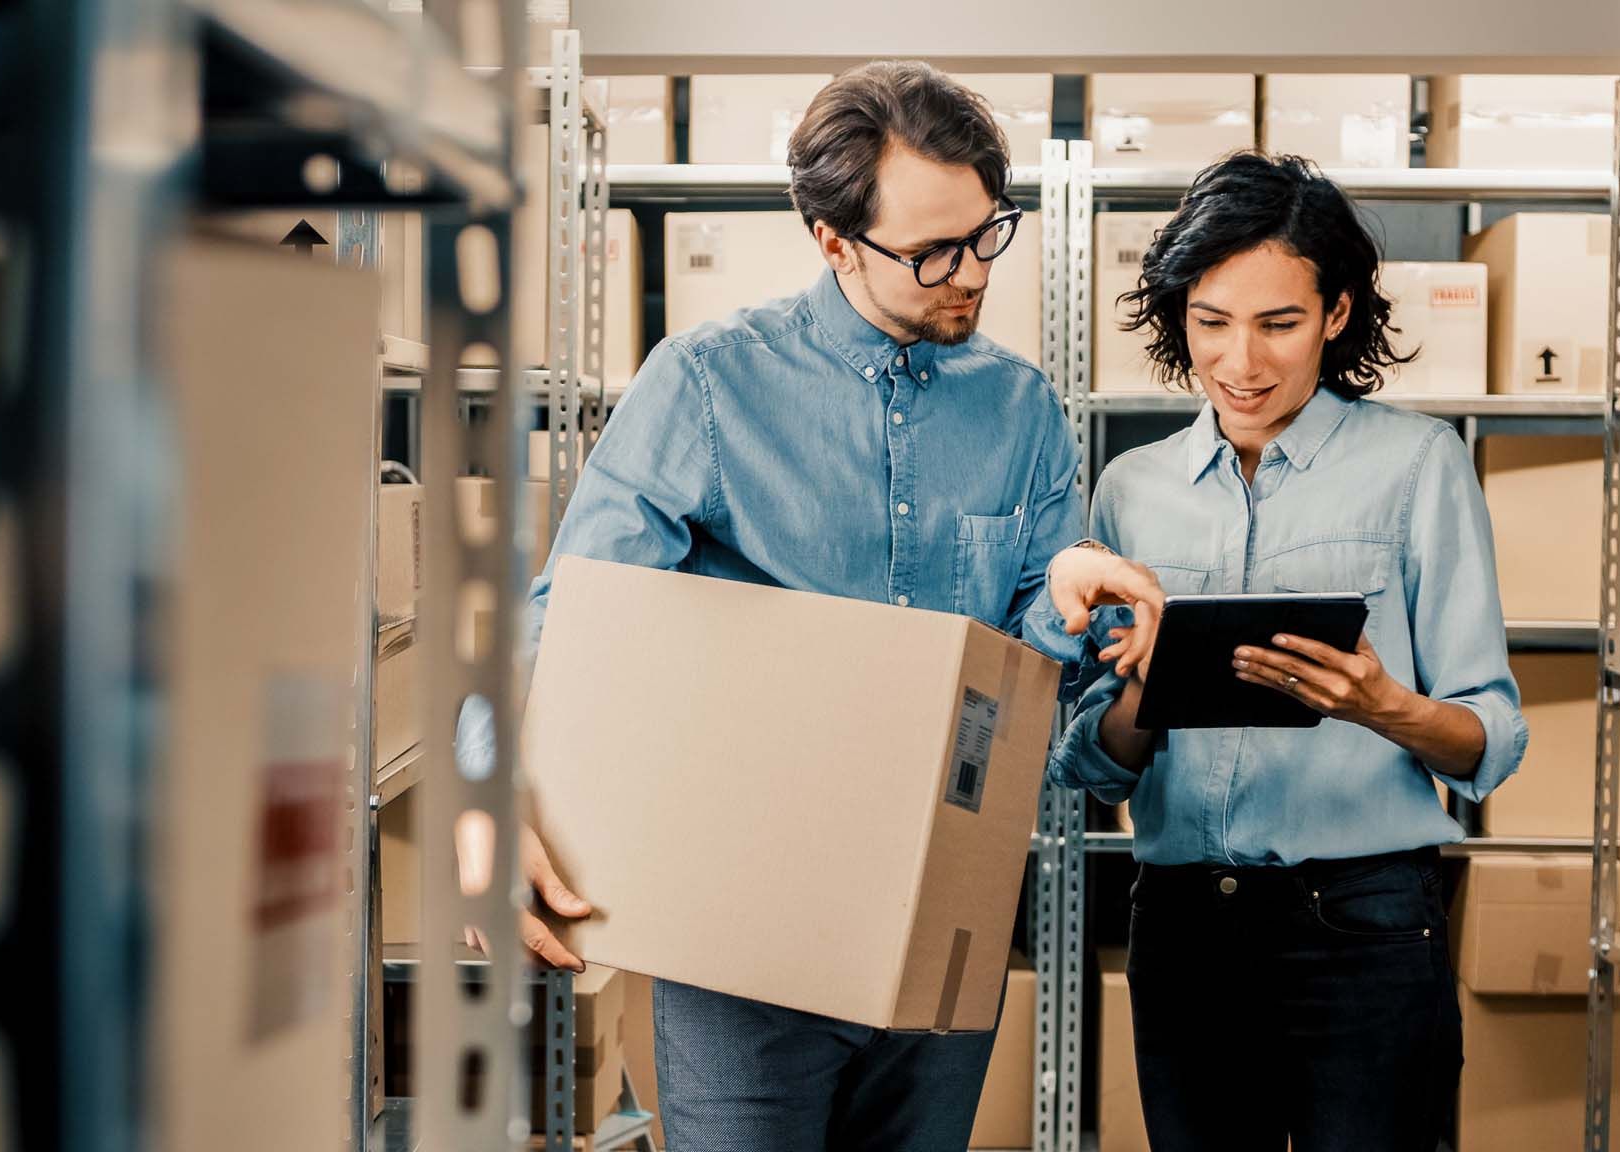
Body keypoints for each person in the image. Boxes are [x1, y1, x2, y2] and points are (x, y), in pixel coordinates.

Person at [458, 61, 1165, 1152]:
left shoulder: (1020, 409)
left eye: (986, 234)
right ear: (831, 240)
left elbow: (1028, 674)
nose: (969, 273)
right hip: (743, 937)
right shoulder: (704, 385)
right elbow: (568, 618)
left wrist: (1063, 600)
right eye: (929, 251)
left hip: (941, 922)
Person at [1048, 152, 1529, 1152]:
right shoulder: (1130, 490)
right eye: (1210, 322)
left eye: (1277, 323)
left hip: (1360, 922)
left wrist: (1376, 704)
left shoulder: (1414, 466)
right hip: (1181, 926)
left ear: (1336, 314)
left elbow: (1488, 739)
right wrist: (1140, 686)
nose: (1240, 364)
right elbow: (1092, 765)